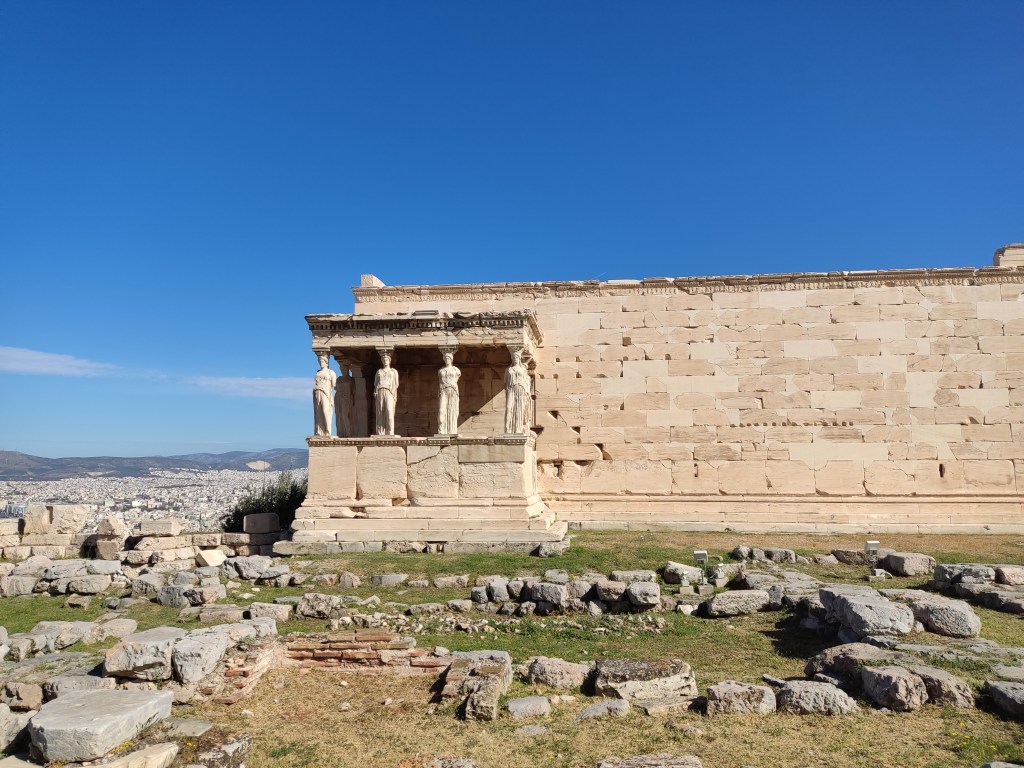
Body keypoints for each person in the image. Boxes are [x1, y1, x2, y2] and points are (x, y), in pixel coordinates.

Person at [504, 349, 531, 435]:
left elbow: (526, 381)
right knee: (509, 408)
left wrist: (527, 393)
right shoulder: (508, 370)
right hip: (511, 389)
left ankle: (518, 430)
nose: (515, 358)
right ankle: (508, 429)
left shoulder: (523, 370)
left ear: (519, 359)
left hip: (521, 389)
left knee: (519, 409)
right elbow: (505, 383)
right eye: (514, 357)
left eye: (517, 357)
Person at [374, 351, 399, 435]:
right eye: (383, 360)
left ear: (389, 360)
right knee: (380, 411)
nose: (385, 361)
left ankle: (390, 432)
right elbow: (376, 383)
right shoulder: (379, 372)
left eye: (387, 360)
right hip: (380, 390)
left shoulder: (393, 371)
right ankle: (380, 432)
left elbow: (396, 384)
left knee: (389, 410)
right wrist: (376, 392)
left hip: (389, 391)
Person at [312, 352, 336, 436]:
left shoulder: (331, 372)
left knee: (326, 410)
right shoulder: (317, 373)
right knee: (318, 412)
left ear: (326, 362)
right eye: (319, 361)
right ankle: (319, 431)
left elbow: (334, 385)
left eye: (322, 361)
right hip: (317, 393)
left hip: (326, 393)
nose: (320, 363)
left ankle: (328, 431)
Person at [437, 351, 461, 434]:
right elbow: (440, 382)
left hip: (453, 391)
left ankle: (452, 431)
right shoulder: (441, 371)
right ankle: (441, 430)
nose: (447, 360)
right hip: (443, 391)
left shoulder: (456, 370)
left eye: (448, 358)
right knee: (441, 410)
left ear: (451, 359)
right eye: (445, 358)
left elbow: (456, 379)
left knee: (452, 410)